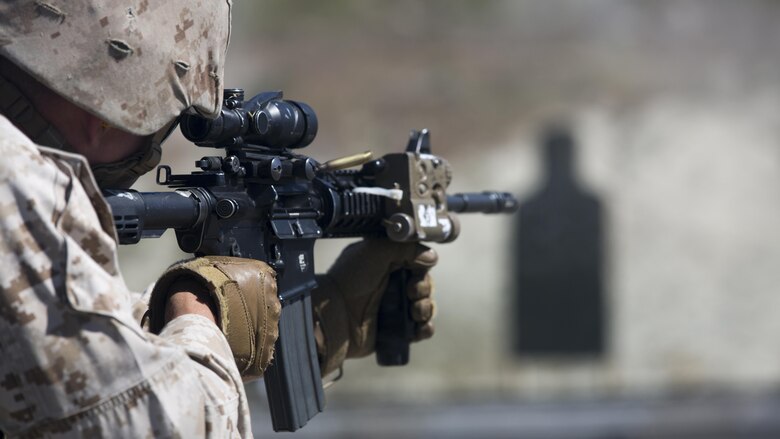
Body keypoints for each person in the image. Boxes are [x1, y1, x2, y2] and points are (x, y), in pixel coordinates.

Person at [0, 2, 436, 437]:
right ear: (109, 115)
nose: (152, 153)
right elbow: (147, 426)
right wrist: (202, 307)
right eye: (165, 125)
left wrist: (324, 320)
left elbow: (64, 360)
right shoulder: (16, 178)